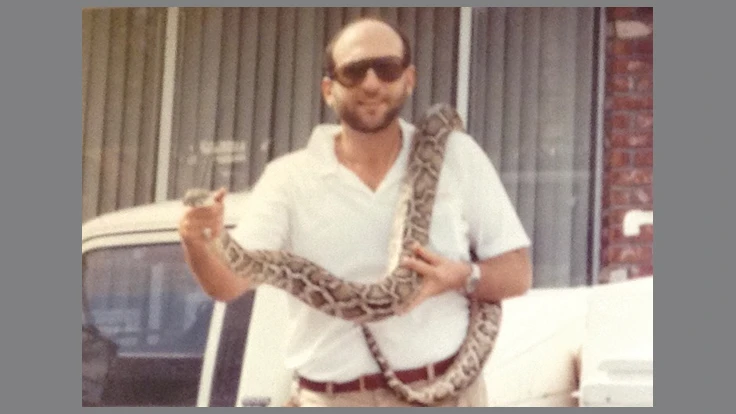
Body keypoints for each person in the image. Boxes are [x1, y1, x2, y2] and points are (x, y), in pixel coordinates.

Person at [178, 17, 532, 407]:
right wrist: (199, 241)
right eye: (353, 71)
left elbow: (517, 274)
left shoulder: (458, 155)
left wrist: (458, 277)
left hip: (448, 394)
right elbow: (229, 285)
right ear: (328, 90)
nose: (371, 83)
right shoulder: (288, 178)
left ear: (409, 79)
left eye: (387, 68)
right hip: (331, 399)